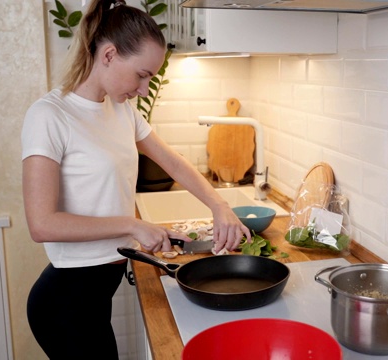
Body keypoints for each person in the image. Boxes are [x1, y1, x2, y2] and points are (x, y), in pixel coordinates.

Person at [21, 0, 251, 358]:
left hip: (96, 293)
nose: (144, 89)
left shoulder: (120, 111)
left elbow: (172, 162)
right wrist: (133, 225)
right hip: (65, 303)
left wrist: (219, 206)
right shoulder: (50, 115)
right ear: (109, 55)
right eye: (141, 75)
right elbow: (42, 224)